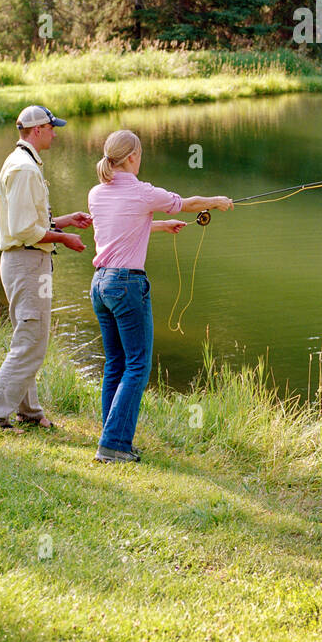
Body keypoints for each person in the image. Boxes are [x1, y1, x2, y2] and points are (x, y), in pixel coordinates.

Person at [87, 129, 232, 463]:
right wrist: (217, 201)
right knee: (137, 364)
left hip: (100, 285)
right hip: (127, 286)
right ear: (133, 156)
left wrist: (161, 226)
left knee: (116, 364)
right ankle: (113, 445)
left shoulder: (97, 193)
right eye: (141, 153)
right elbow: (188, 203)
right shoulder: (141, 192)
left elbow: (117, 227)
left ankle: (112, 438)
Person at [0, 106, 92, 431]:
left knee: (29, 336)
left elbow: (25, 221)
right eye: (52, 128)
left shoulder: (19, 162)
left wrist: (64, 221)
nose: (55, 133)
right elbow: (25, 230)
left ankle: (29, 411)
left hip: (22, 261)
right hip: (27, 262)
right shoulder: (25, 168)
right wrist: (64, 237)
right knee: (32, 340)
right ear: (38, 129)